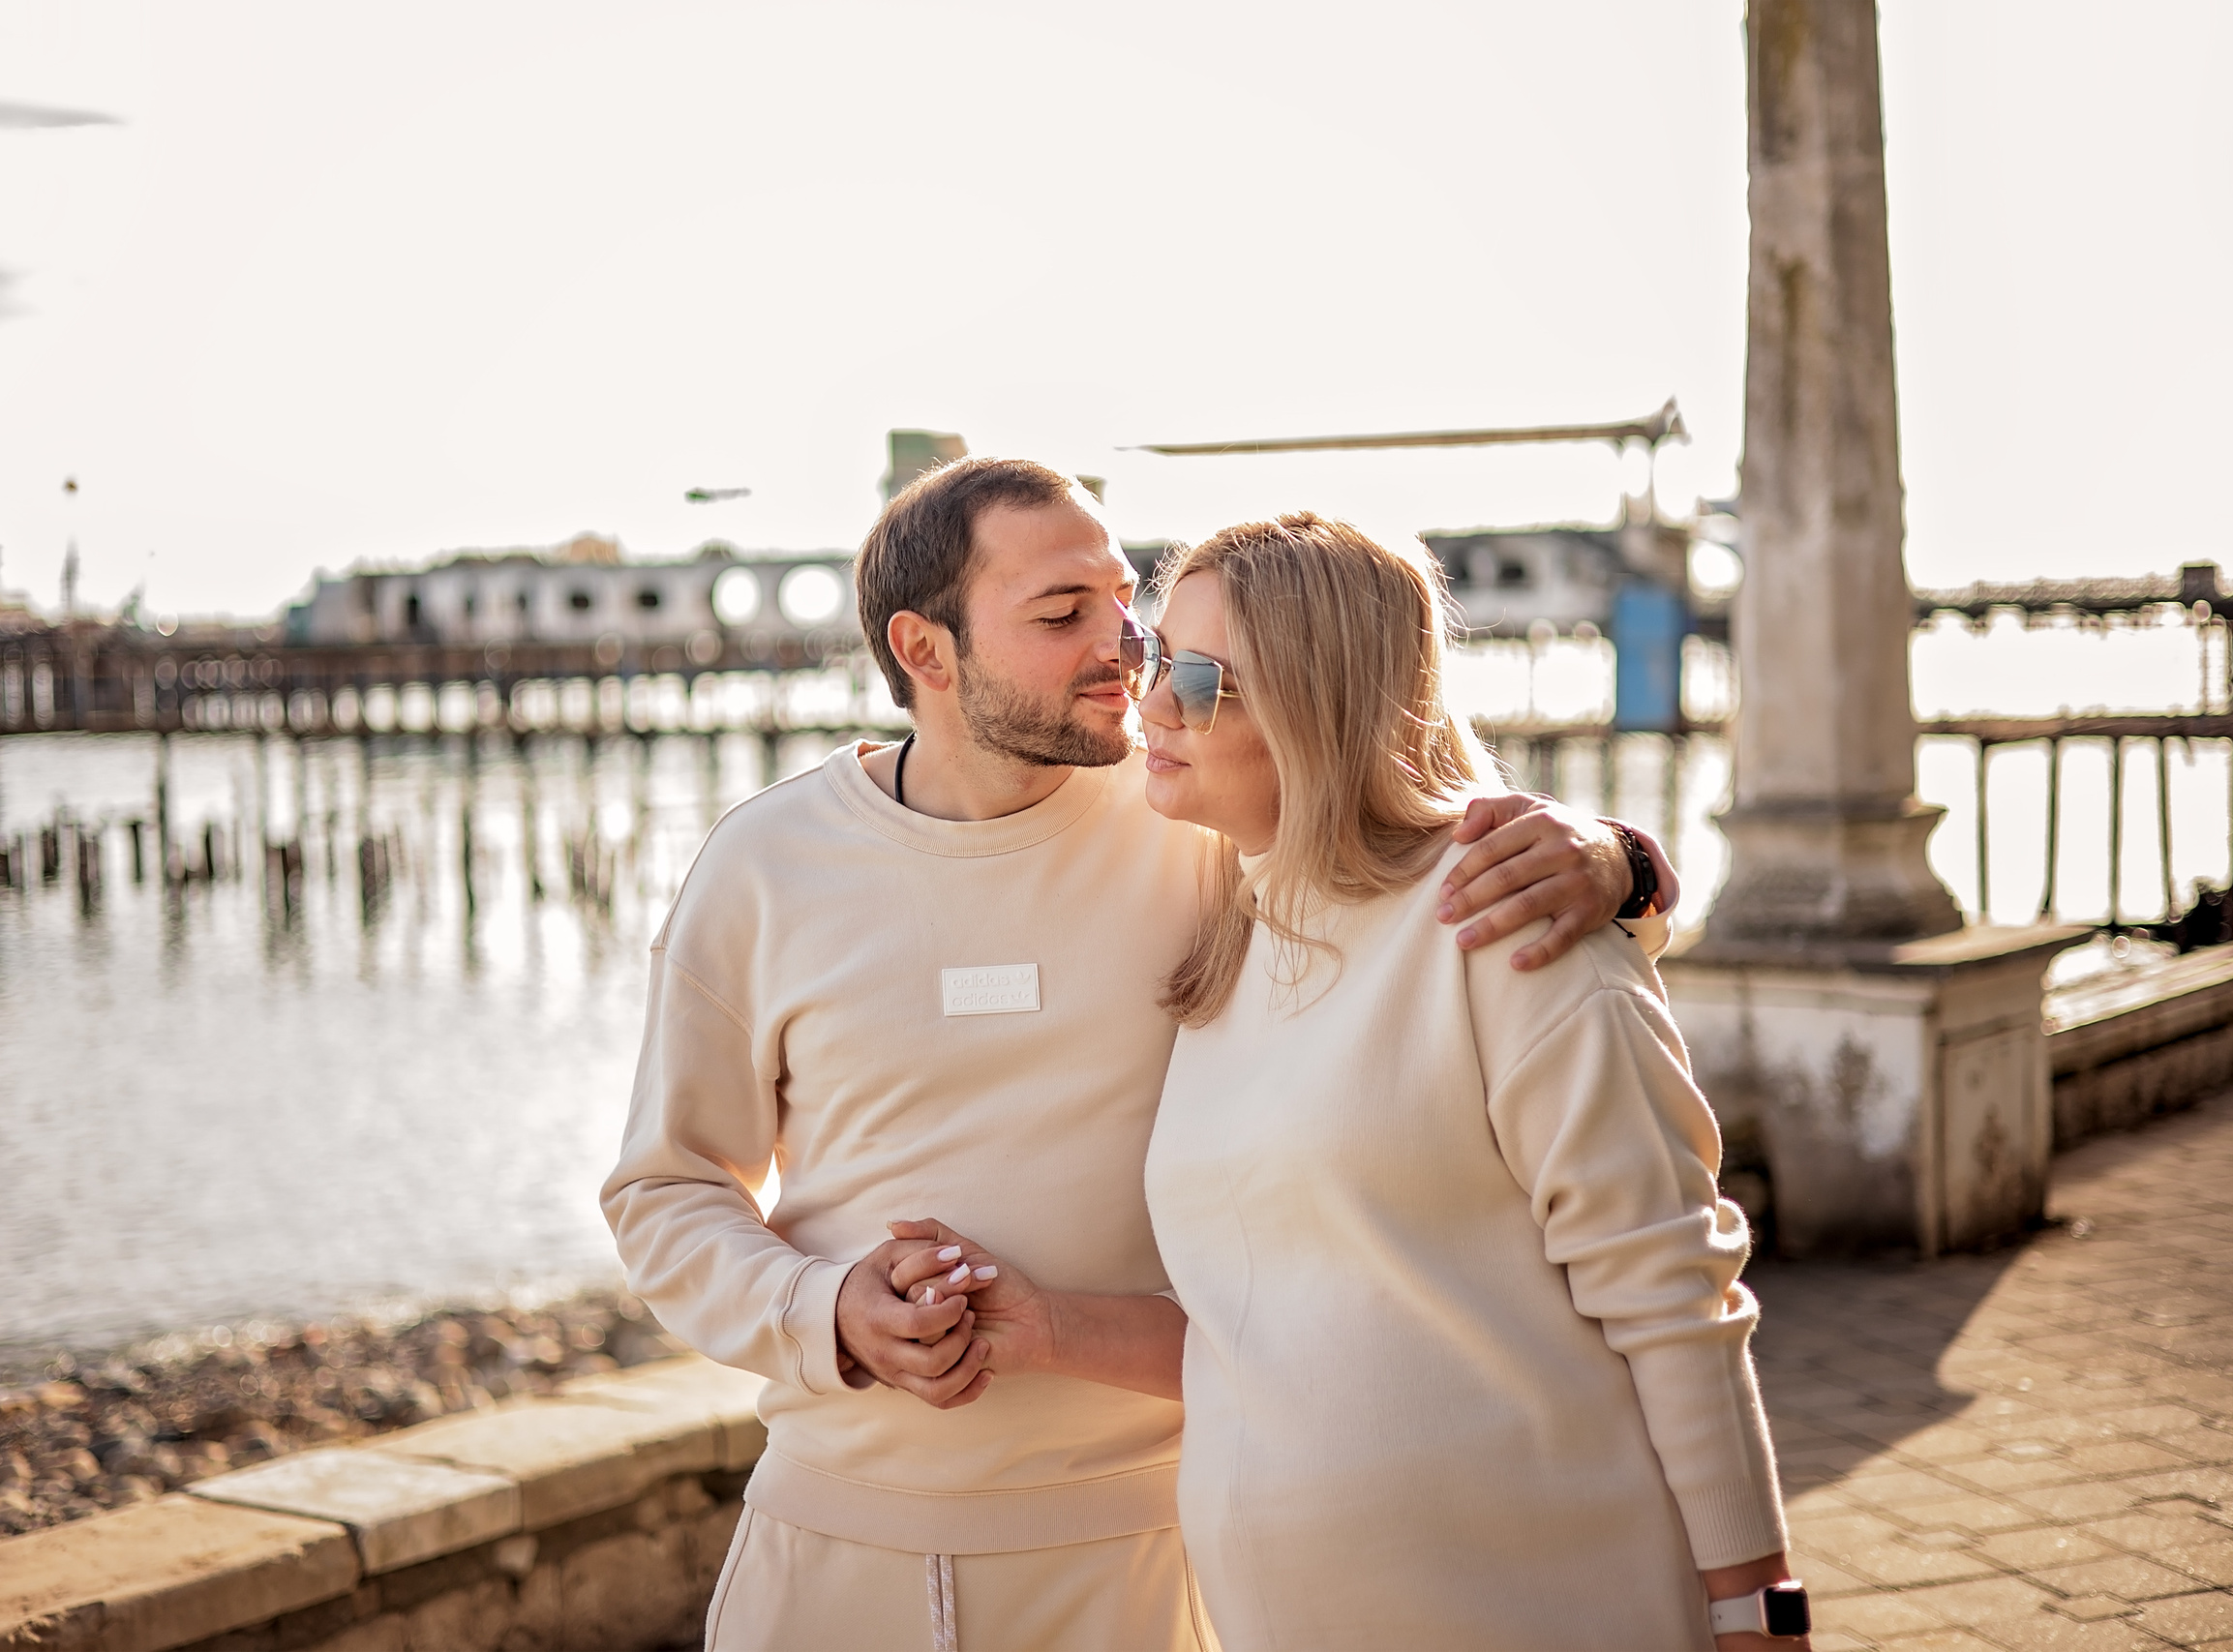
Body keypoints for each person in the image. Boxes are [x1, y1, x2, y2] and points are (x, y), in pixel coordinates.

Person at [601, 461, 1679, 1651]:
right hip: (830, 1549)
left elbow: (1411, 858)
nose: (1123, 646)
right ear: (926, 650)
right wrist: (827, 1307)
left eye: (1123, 603)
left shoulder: (1195, 813)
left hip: (1153, 1552)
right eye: (1061, 616)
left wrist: (1615, 860)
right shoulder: (762, 867)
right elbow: (667, 1189)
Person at [906, 513, 1803, 1651]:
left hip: (1546, 1603)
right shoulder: (1226, 940)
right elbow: (1275, 1327)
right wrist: (1043, 1329)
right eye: (1153, 662)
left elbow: (1675, 1299)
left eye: (1197, 678)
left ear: (1320, 698)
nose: (1151, 708)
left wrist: (1759, 1613)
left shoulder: (1504, 925)